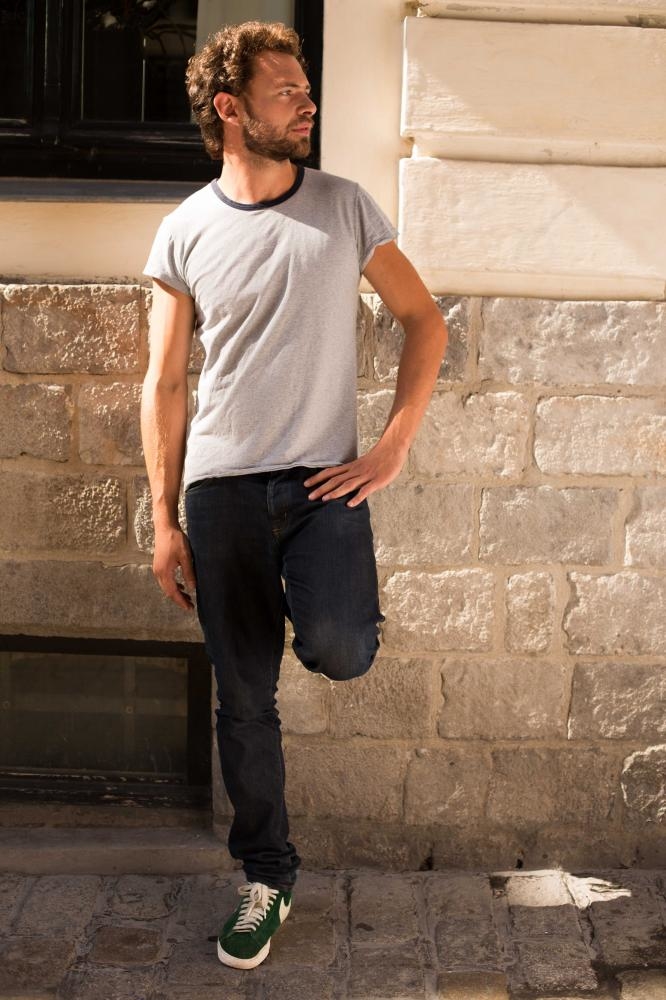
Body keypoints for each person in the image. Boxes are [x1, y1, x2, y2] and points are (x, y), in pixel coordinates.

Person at [140, 19, 447, 972]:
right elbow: (165, 382)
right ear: (230, 109)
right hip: (221, 493)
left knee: (344, 648)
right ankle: (266, 876)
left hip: (322, 486)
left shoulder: (344, 206)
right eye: (288, 91)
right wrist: (162, 519)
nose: (308, 104)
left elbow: (424, 320)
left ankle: (311, 622)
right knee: (243, 698)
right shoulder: (185, 229)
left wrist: (390, 449)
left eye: (308, 89)